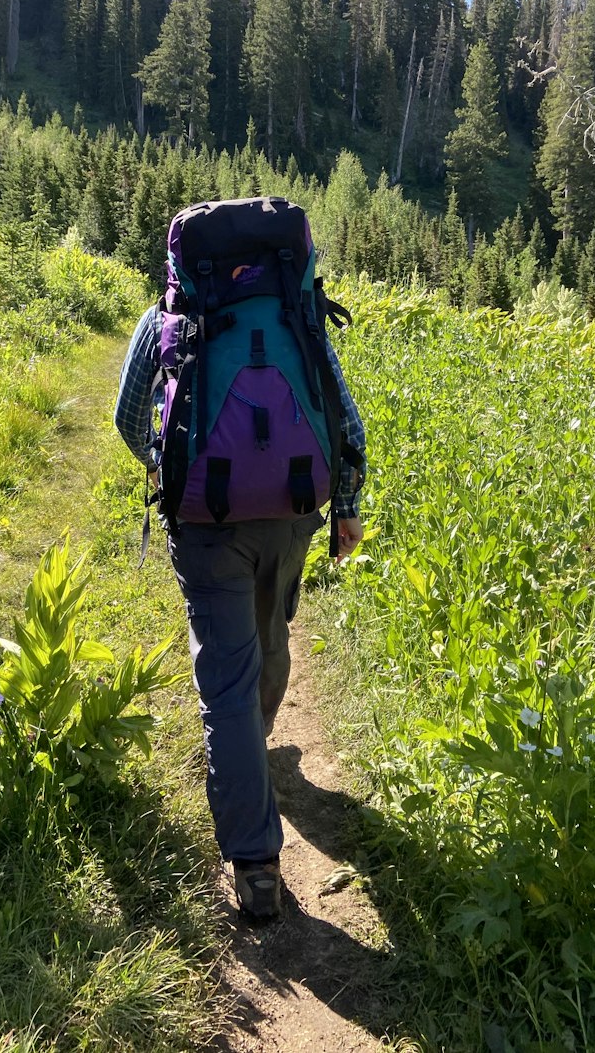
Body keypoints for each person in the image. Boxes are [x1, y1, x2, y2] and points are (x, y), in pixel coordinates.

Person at [114, 269, 365, 923]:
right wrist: (348, 505)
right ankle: (255, 742)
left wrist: (163, 460)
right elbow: (346, 418)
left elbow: (126, 414)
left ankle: (255, 864)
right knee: (272, 634)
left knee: (226, 675)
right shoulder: (294, 314)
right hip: (289, 511)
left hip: (204, 519)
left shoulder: (163, 321)